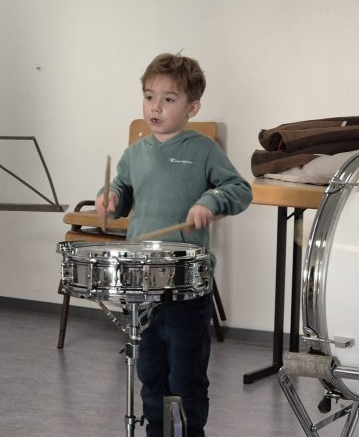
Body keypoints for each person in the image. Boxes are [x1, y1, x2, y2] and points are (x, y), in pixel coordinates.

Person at [95, 53, 252, 437]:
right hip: (142, 287)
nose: (156, 107)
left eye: (168, 99)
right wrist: (110, 197)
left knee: (185, 376)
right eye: (149, 97)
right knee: (150, 373)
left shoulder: (203, 150)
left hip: (186, 289)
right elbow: (122, 190)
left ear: (192, 107)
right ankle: (157, 431)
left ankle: (187, 432)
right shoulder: (135, 154)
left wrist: (210, 201)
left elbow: (239, 189)